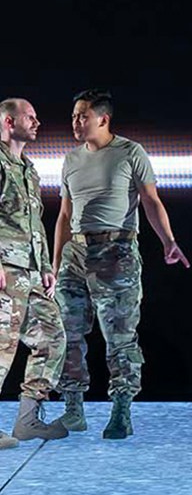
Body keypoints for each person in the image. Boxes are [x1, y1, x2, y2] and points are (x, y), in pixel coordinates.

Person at [53, 90, 188, 440]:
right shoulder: (70, 159)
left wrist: (168, 241)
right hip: (75, 255)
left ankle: (121, 410)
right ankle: (73, 409)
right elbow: (65, 215)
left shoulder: (130, 152)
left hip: (116, 252)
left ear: (103, 118)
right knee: (68, 333)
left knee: (119, 337)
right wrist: (55, 263)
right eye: (73, 116)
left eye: (82, 115)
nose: (76, 122)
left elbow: (151, 201)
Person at [0, 99, 66, 444]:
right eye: (30, 117)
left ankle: (28, 419)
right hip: (5, 269)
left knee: (52, 337)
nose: (37, 122)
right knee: (1, 346)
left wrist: (45, 267)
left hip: (30, 271)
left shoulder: (28, 167)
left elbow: (34, 222)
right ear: (10, 122)